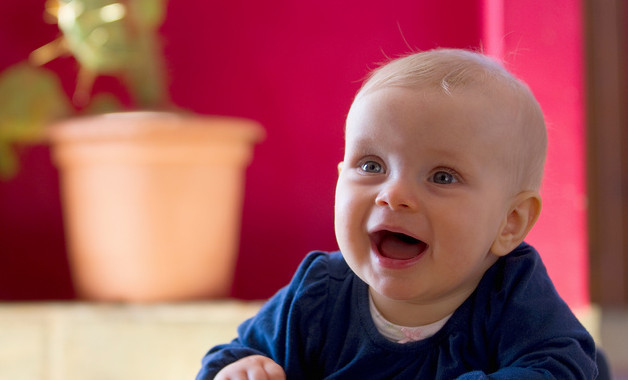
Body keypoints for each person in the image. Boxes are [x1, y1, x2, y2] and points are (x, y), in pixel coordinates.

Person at [196, 48, 598, 379]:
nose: (394, 195)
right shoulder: (317, 294)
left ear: (510, 221)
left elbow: (565, 366)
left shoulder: (510, 293)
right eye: (371, 166)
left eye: (442, 176)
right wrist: (239, 369)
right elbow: (230, 356)